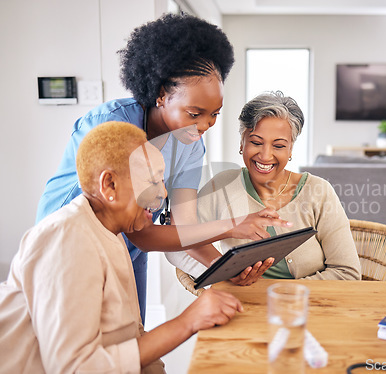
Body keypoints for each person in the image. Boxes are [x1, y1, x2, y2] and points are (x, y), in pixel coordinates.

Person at [36, 14, 288, 322]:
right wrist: (232, 225)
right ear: (161, 95)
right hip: (70, 249)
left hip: (128, 249)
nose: (205, 125)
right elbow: (140, 233)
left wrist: (226, 269)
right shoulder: (114, 126)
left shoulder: (191, 143)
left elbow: (184, 228)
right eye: (195, 113)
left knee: (133, 340)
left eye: (214, 114)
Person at [0, 122, 243, 374]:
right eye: (152, 181)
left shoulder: (111, 233)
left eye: (162, 181)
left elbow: (132, 333)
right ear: (109, 185)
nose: (162, 193)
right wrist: (188, 321)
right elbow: (73, 368)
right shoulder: (65, 240)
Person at [167, 92, 361, 281]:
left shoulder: (319, 191)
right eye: (256, 142)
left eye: (278, 146)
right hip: (243, 306)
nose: (266, 156)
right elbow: (177, 246)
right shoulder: (222, 187)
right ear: (242, 142)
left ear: (291, 148)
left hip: (310, 307)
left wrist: (282, 296)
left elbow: (347, 272)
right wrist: (224, 275)